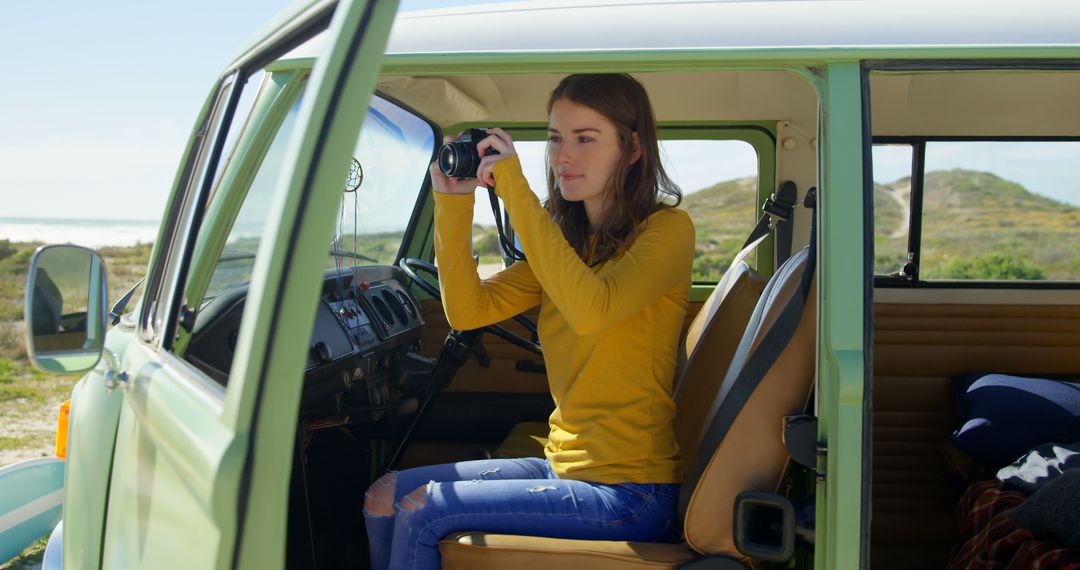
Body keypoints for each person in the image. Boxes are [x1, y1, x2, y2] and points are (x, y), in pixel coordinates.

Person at [363, 73, 695, 570]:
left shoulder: (668, 231)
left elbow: (592, 309)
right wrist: (453, 204)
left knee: (425, 510)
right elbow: (468, 311)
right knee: (385, 494)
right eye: (556, 138)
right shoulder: (570, 246)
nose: (563, 156)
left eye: (586, 139)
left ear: (632, 150)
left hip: (630, 491)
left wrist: (515, 189)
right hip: (565, 465)